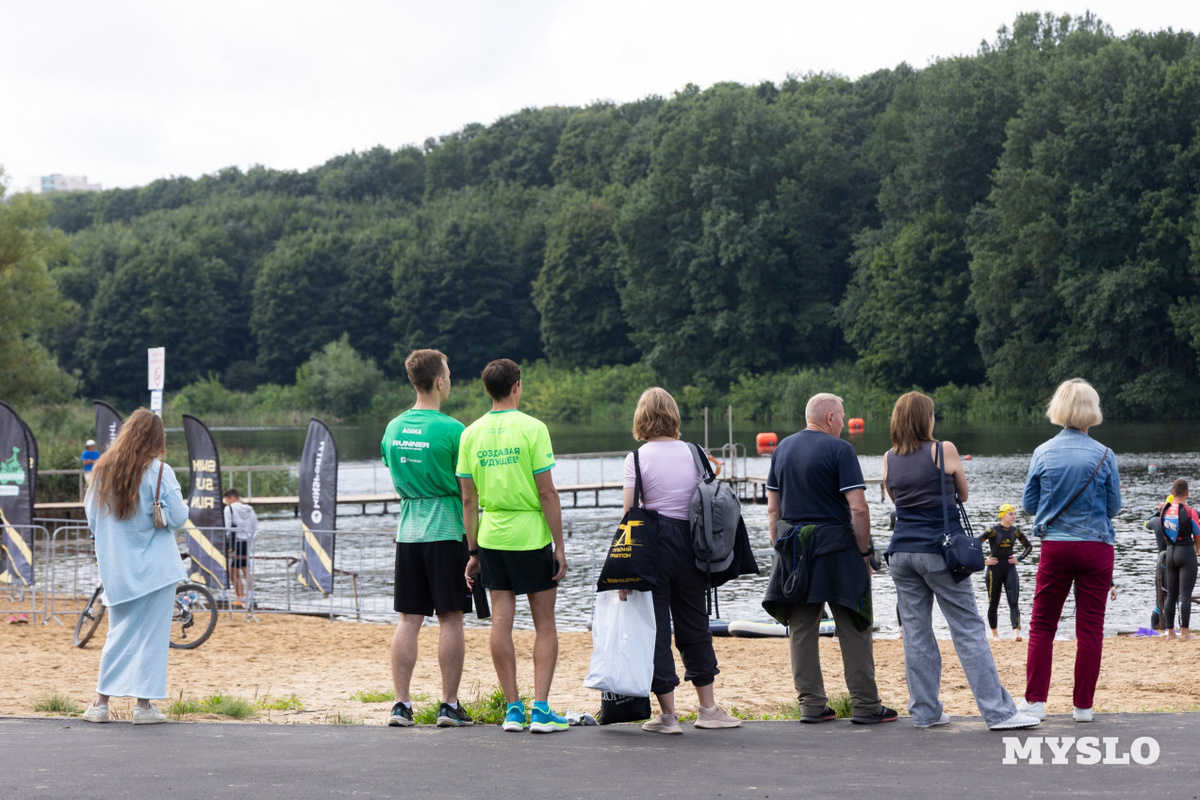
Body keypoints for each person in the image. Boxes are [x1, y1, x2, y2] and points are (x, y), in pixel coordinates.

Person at [883, 392, 1039, 731]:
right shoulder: (943, 450)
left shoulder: (889, 457)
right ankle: (998, 713)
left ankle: (925, 713)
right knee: (967, 629)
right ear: (925, 418)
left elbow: (896, 499)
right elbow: (962, 494)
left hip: (901, 553)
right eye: (932, 414)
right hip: (939, 552)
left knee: (916, 634)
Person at [761, 393, 896, 725]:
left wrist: (781, 550)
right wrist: (863, 553)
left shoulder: (781, 449)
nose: (844, 423)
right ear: (832, 417)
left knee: (802, 629)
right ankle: (865, 705)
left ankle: (811, 705)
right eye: (843, 416)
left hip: (795, 549)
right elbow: (858, 508)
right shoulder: (840, 450)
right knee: (854, 624)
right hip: (837, 549)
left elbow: (773, 510)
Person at [620, 388, 741, 734]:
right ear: (673, 415)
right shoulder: (696, 452)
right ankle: (708, 709)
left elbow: (629, 514)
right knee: (695, 625)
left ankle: (669, 716)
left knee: (656, 630)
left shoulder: (636, 458)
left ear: (641, 417)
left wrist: (624, 571)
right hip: (692, 546)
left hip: (652, 547)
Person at [457, 359, 569, 734]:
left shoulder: (470, 434)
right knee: (545, 623)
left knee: (501, 621)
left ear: (486, 390)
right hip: (530, 535)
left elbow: (468, 500)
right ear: (517, 386)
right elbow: (547, 493)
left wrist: (473, 551)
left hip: (492, 536)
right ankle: (541, 709)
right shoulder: (533, 428)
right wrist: (559, 545)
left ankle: (513, 709)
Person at [1019, 378, 1122, 724]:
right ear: (1093, 411)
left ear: (1058, 409)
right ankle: (1083, 707)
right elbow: (1113, 508)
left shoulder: (1043, 452)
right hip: (1096, 549)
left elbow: (1029, 505)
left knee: (1042, 625)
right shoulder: (1105, 454)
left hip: (1057, 547)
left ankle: (1035, 702)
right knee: (1090, 629)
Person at [380, 349, 474, 728]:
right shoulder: (454, 430)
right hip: (447, 529)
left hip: (408, 530)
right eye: (448, 374)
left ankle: (401, 705)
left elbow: (393, 466)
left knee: (408, 619)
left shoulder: (393, 428)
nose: (449, 380)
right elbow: (468, 489)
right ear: (438, 381)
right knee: (451, 618)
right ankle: (448, 705)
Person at [81, 408, 189, 725]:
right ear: (157, 439)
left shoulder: (102, 470)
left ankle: (100, 704)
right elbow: (179, 518)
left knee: (118, 633)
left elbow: (92, 519)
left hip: (118, 568)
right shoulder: (159, 471)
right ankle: (143, 707)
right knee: (152, 638)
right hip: (157, 569)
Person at [980, 503, 1033, 641]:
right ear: (1003, 515)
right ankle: (995, 635)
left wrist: (1019, 559)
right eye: (1011, 514)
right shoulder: (993, 531)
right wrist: (983, 561)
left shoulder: (1015, 531)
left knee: (1014, 601)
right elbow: (975, 543)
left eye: (1015, 514)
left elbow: (1029, 547)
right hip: (994, 570)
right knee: (993, 603)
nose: (1014, 517)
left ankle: (1016, 634)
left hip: (1010, 569)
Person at [1158, 479, 1199, 640]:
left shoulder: (1164, 510)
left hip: (1170, 552)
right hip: (1186, 552)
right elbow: (1197, 534)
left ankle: (1170, 632)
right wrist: (1197, 549)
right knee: (1185, 595)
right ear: (1187, 493)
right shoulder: (1190, 512)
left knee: (1171, 595)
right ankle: (1185, 632)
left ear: (1172, 492)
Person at [222, 489, 259, 610]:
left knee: (232, 572)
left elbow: (227, 527)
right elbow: (255, 527)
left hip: (235, 542)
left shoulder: (229, 509)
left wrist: (225, 542)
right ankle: (250, 596)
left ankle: (240, 597)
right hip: (246, 542)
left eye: (226, 500)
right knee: (246, 570)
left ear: (231, 498)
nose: (226, 503)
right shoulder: (250, 510)